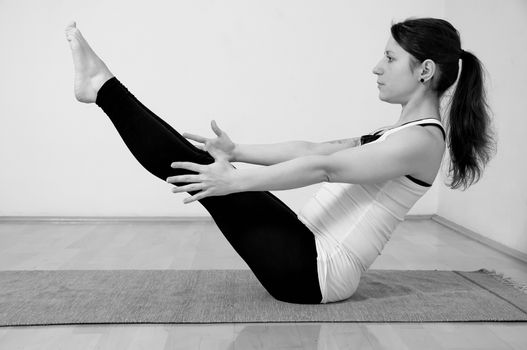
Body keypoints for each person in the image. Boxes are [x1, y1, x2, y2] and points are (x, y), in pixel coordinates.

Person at [64, 17, 495, 304]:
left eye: (389, 57)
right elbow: (313, 150)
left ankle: (103, 88)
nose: (376, 67)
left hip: (314, 273)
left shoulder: (421, 141)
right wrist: (235, 154)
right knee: (202, 164)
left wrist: (232, 182)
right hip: (304, 248)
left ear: (424, 71)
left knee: (199, 170)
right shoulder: (396, 134)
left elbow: (324, 170)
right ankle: (102, 87)